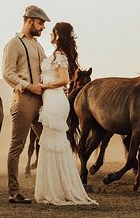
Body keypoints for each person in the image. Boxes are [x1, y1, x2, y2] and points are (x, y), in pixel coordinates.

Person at [35, 22, 98, 205]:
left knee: (54, 144)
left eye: (53, 33)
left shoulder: (61, 56)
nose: (50, 36)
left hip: (55, 100)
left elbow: (64, 80)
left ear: (58, 36)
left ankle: (59, 190)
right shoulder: (56, 55)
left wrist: (44, 85)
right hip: (51, 100)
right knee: (51, 144)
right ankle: (54, 188)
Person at [2, 5, 50, 204]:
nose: (43, 28)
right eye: (40, 23)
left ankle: (51, 187)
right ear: (29, 20)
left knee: (48, 142)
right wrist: (28, 86)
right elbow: (7, 73)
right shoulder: (14, 43)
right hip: (23, 100)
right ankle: (14, 192)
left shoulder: (38, 46)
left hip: (41, 101)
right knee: (17, 146)